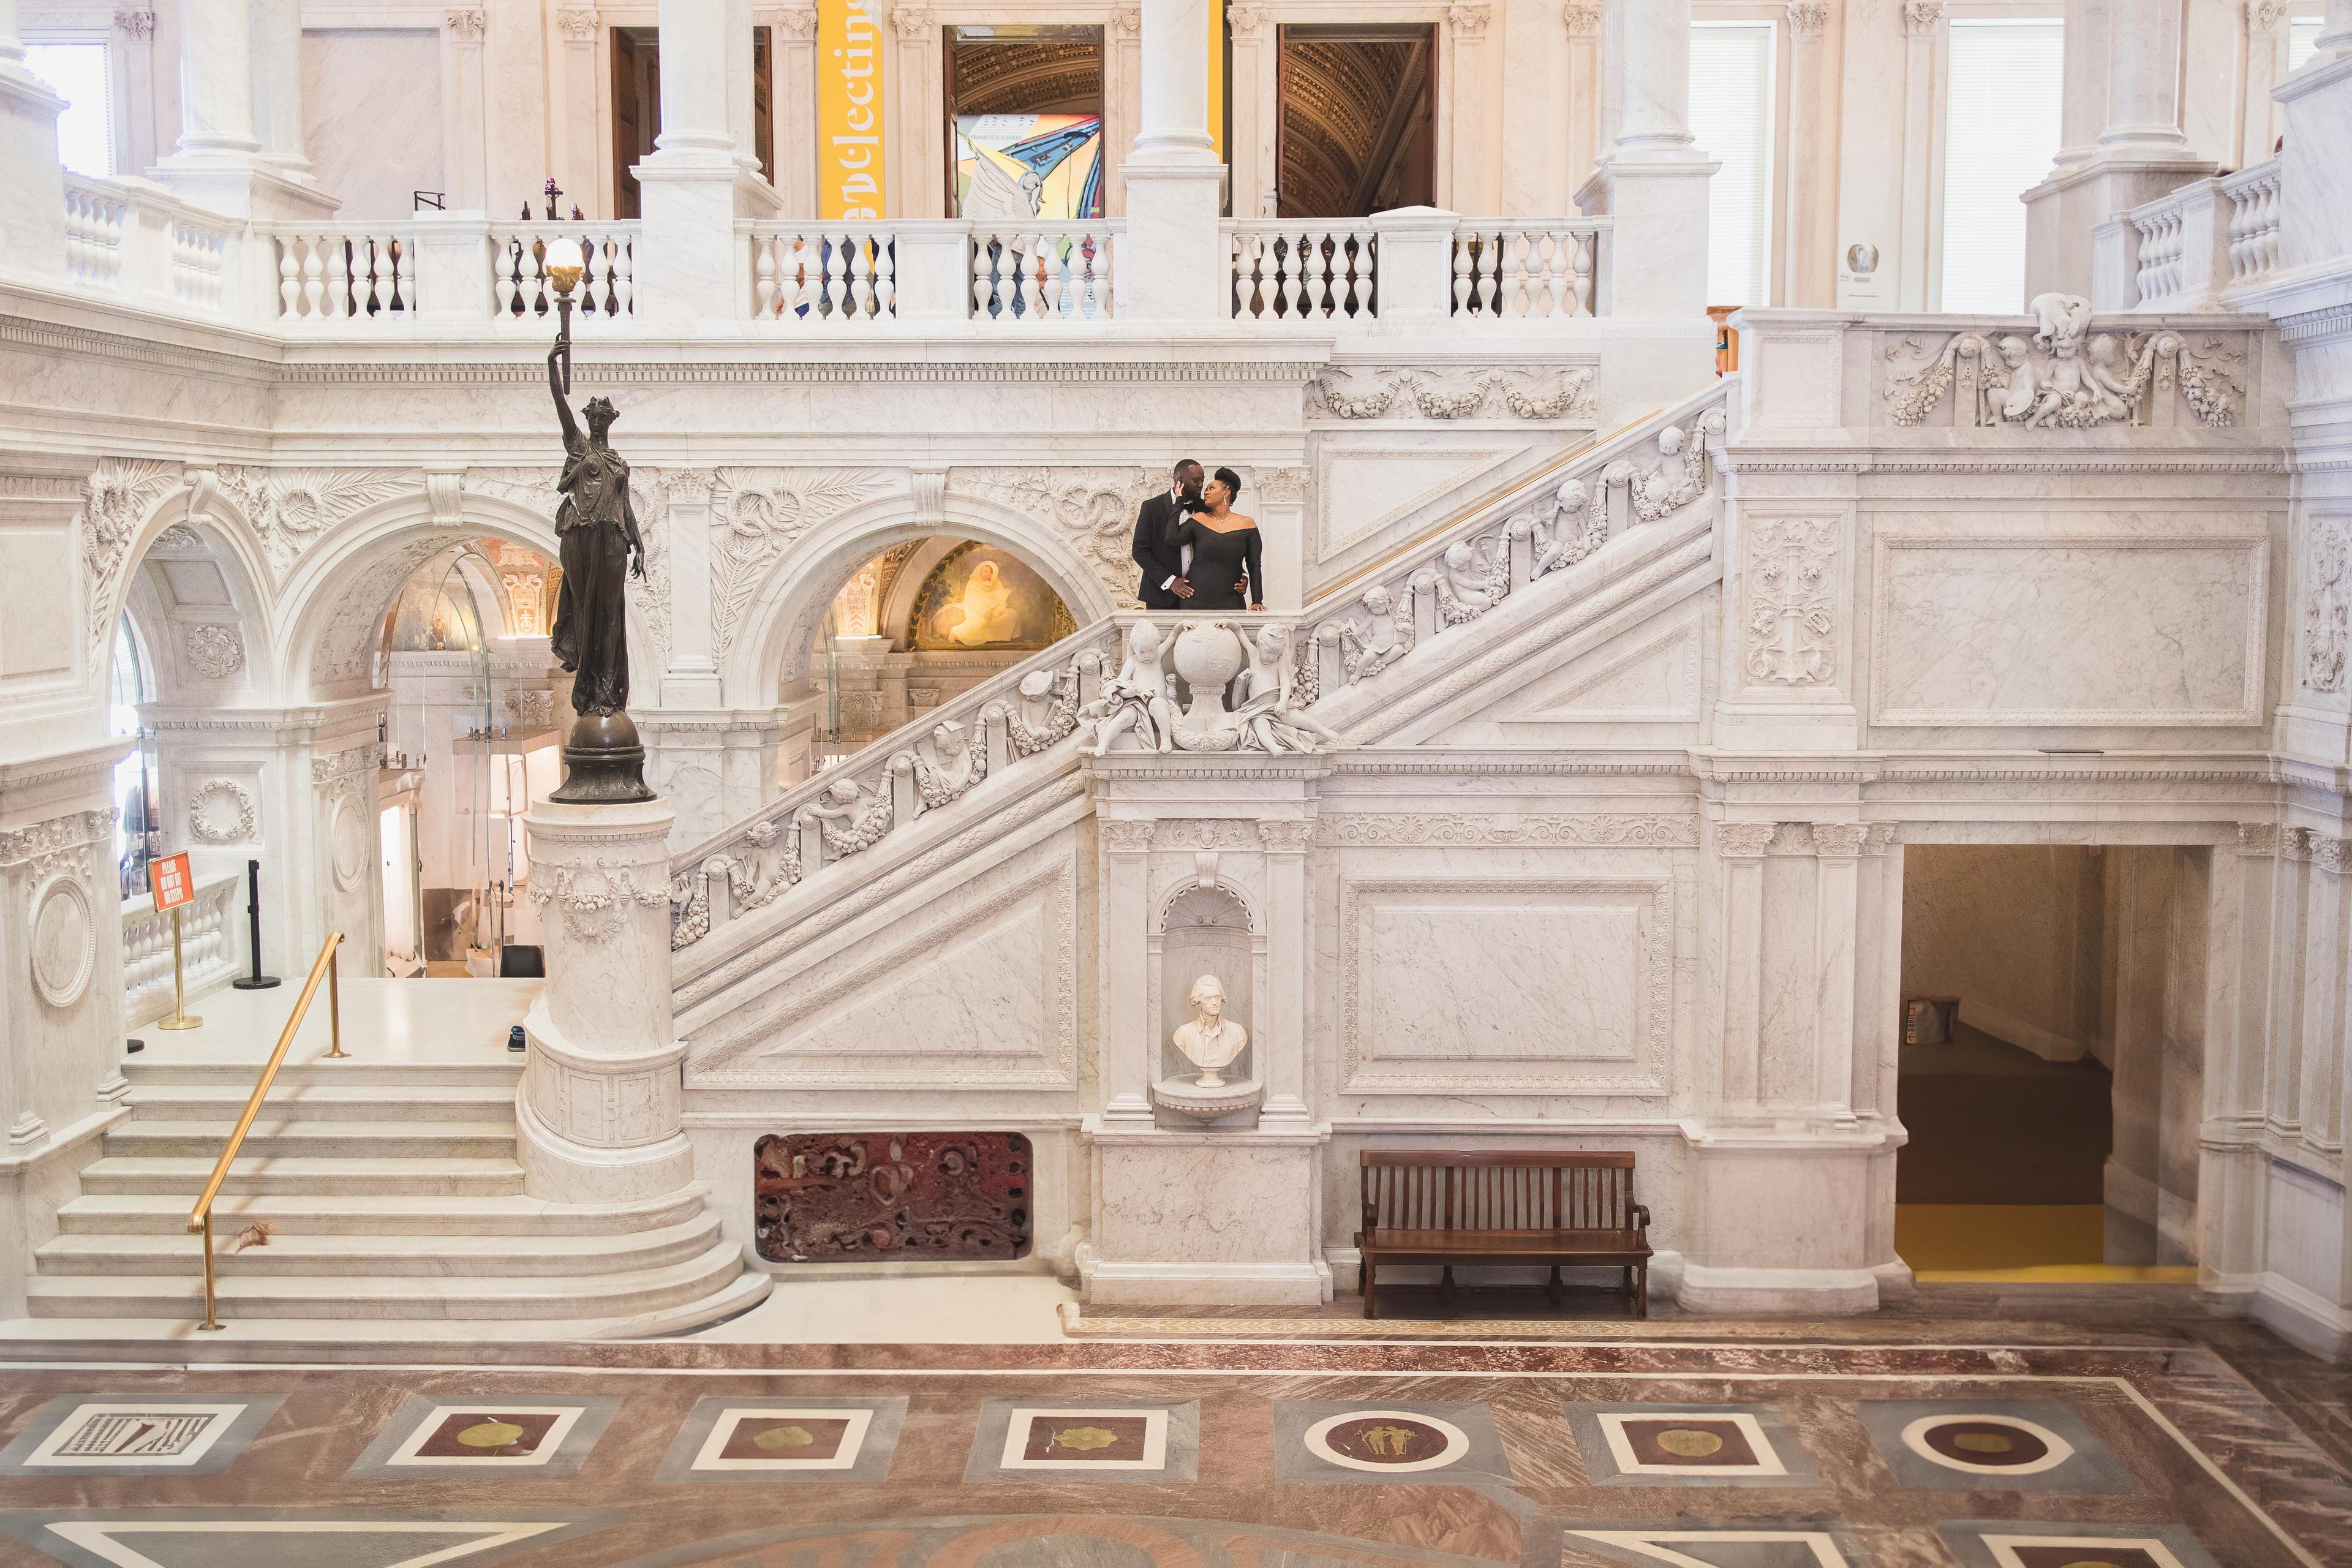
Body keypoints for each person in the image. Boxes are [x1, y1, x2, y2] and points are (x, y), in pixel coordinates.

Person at [547, 345, 645, 715]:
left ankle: (609, 690)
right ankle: (587, 690)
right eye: (594, 416)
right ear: (588, 420)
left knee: (611, 613)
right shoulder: (578, 447)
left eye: (604, 417)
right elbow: (560, 406)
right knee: (587, 610)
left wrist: (639, 545)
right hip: (582, 534)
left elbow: (626, 505)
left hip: (613, 538)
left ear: (611, 421)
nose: (598, 421)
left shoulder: (619, 461)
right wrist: (552, 366)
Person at [1172, 467, 1264, 612]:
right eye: (1206, 490)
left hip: (1231, 601)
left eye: (1212, 488)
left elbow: (1254, 564)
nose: (1206, 492)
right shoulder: (1199, 519)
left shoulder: (1247, 523)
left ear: (1226, 492)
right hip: (1195, 600)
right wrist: (1178, 502)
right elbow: (1172, 537)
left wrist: (1257, 600)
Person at [1129, 459, 1202, 610]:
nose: (1201, 485)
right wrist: (1171, 581)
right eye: (1196, 480)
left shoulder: (1204, 508)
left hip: (1198, 596)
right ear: (1179, 481)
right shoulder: (1151, 507)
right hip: (1160, 595)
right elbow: (1139, 551)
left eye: (1202, 480)